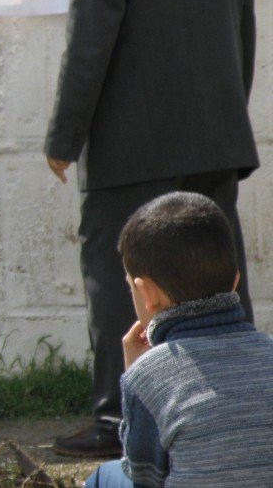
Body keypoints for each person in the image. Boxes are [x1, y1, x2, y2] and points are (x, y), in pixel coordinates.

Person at [44, 0, 258, 458]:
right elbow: (242, 42)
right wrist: (223, 122)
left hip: (133, 159)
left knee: (121, 281)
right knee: (218, 281)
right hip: (216, 146)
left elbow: (90, 45)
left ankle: (119, 423)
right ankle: (246, 409)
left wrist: (63, 137)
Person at [84, 192, 273, 487]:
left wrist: (137, 372)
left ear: (146, 293)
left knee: (103, 477)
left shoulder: (149, 376)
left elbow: (142, 474)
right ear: (235, 282)